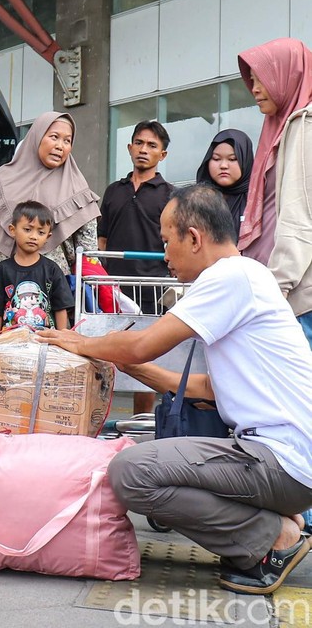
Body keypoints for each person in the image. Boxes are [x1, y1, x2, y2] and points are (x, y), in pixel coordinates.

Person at [38, 185, 312, 595]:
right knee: (147, 465)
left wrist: (80, 343)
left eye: (167, 241)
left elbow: (142, 342)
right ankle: (278, 526)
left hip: (280, 460)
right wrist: (130, 365)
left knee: (131, 472)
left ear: (195, 238)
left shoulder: (228, 277)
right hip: (289, 463)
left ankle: (272, 540)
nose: (165, 255)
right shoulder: (250, 275)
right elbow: (210, 389)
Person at [0, 111, 100, 302]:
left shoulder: (78, 191)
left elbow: (89, 255)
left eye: (67, 141)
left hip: (50, 297)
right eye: (54, 137)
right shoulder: (1, 181)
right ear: (37, 137)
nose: (60, 146)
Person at [237, 38, 312, 346]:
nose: (254, 89)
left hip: (296, 299)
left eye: (261, 80)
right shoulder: (279, 127)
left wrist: (278, 285)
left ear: (286, 76)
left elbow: (300, 214)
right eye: (252, 81)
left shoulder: (304, 126)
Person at [97, 120, 172, 414]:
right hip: (111, 288)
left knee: (146, 357)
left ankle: (141, 422)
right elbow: (101, 239)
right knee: (104, 352)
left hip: (152, 288)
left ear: (162, 155)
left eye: (152, 145)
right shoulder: (114, 191)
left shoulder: (169, 194)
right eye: (139, 143)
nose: (144, 150)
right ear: (129, 148)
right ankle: (98, 418)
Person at [0, 201, 74, 335]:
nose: (33, 236)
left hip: (44, 341)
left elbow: (61, 307)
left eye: (41, 232)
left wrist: (61, 337)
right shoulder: (3, 269)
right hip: (10, 342)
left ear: (48, 236)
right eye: (27, 230)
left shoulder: (51, 269)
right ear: (13, 230)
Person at [195, 129, 254, 240]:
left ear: (245, 160)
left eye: (232, 159)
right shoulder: (196, 200)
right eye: (216, 159)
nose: (223, 165)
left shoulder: (257, 200)